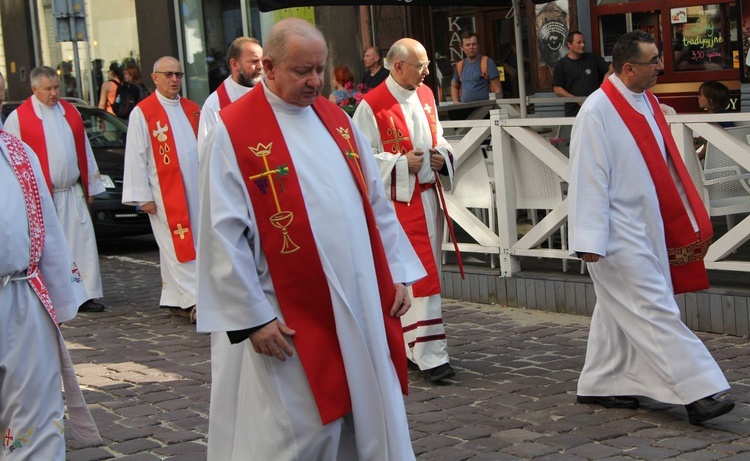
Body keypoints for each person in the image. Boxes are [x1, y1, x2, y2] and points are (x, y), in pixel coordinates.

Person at [197, 18, 425, 461]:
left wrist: (395, 272)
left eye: (320, 69)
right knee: (297, 430)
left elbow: (374, 201)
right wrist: (252, 317)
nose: (316, 81)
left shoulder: (335, 119)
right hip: (288, 311)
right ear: (268, 66)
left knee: (367, 416)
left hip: (358, 296)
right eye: (303, 71)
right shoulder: (232, 131)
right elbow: (221, 232)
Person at [568, 30, 735, 425]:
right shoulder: (597, 111)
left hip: (649, 224)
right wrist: (589, 237)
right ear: (629, 69)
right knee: (654, 308)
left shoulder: (647, 102)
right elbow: (586, 178)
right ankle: (700, 391)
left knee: (619, 312)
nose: (661, 65)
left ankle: (602, 382)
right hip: (616, 234)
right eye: (654, 61)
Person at [353, 38, 457, 383]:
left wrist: (443, 155)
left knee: (427, 276)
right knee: (415, 278)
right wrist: (399, 163)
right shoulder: (371, 105)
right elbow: (360, 158)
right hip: (398, 204)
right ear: (397, 66)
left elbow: (438, 135)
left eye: (427, 64)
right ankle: (431, 355)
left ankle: (415, 347)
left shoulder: (426, 95)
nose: (428, 72)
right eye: (421, 66)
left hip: (428, 198)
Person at [0, 129, 100, 459]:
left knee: (36, 409)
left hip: (21, 291)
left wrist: (60, 296)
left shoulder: (16, 151)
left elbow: (46, 220)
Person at [5, 66, 106, 313]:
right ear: (34, 89)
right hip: (45, 199)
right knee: (55, 249)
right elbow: (12, 160)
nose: (54, 93)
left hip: (73, 193)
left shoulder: (69, 112)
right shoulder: (19, 118)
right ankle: (61, 293)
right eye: (48, 89)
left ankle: (85, 293)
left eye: (56, 87)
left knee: (83, 247)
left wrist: (91, 185)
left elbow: (85, 150)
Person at [122, 57, 201, 322]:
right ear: (154, 78)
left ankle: (173, 298)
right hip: (165, 194)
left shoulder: (193, 109)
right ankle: (195, 300)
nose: (174, 79)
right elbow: (135, 155)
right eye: (168, 74)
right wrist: (141, 195)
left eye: (178, 74)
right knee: (179, 245)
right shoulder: (143, 112)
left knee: (190, 244)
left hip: (197, 191)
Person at [197, 37, 263, 152]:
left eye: (262, 60)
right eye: (254, 61)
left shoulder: (271, 94)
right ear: (235, 64)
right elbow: (207, 154)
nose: (261, 66)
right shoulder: (214, 105)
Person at [552, 31, 613, 116]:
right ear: (569, 45)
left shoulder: (593, 58)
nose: (583, 45)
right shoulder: (561, 65)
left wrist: (607, 75)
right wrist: (577, 100)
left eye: (583, 42)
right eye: (579, 42)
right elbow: (557, 90)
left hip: (595, 110)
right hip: (574, 113)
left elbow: (612, 67)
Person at [451, 31, 502, 103]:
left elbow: (498, 91)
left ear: (478, 45)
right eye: (467, 45)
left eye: (474, 44)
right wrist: (456, 104)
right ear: (462, 47)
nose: (471, 47)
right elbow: (454, 86)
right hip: (465, 110)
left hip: (486, 109)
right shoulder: (460, 65)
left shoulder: (487, 62)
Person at [695, 80, 734, 160]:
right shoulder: (723, 116)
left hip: (719, 161)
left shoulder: (718, 120)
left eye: (701, 95)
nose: (698, 97)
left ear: (711, 100)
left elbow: (709, 147)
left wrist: (694, 160)